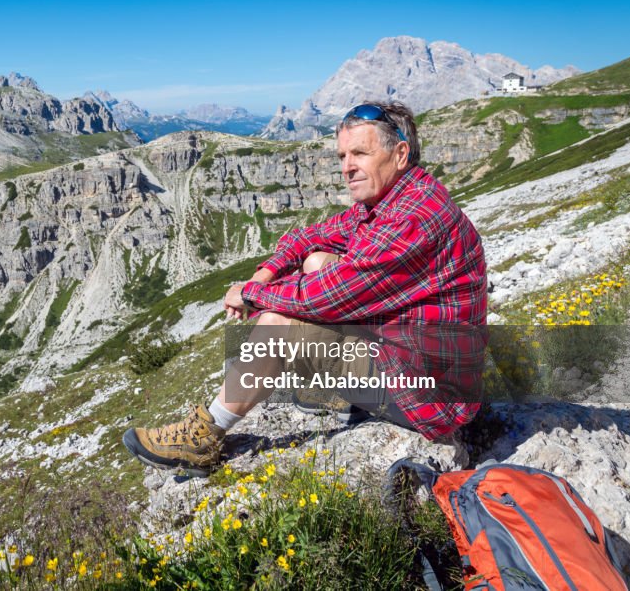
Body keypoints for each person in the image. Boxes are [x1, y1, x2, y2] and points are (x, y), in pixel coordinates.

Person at [122, 101, 487, 476]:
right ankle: (335, 391)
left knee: (278, 325)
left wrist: (250, 295)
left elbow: (321, 297)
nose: (347, 167)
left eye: (360, 153)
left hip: (427, 395)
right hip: (410, 355)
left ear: (400, 154)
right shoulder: (395, 199)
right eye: (343, 155)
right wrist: (263, 275)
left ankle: (203, 437)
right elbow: (309, 236)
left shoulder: (411, 219)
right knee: (316, 260)